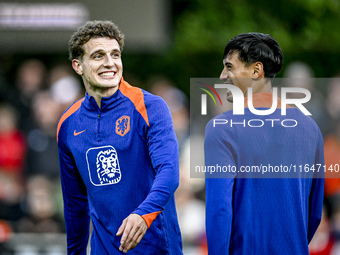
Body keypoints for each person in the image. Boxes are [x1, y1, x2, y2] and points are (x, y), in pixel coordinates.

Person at [57, 20, 183, 254]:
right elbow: (75, 205)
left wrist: (143, 215)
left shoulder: (150, 106)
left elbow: (169, 172)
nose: (110, 63)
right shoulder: (67, 124)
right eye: (98, 56)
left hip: (155, 248)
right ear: (78, 66)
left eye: (115, 54)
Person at [204, 33, 324, 254]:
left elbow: (218, 210)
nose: (222, 76)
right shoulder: (310, 129)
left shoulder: (221, 128)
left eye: (229, 67)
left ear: (256, 71)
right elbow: (314, 211)